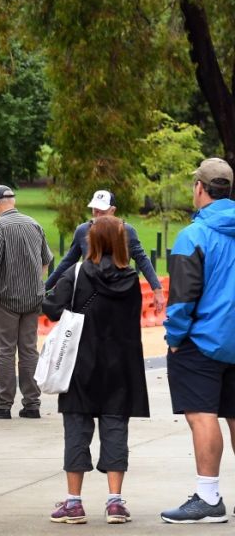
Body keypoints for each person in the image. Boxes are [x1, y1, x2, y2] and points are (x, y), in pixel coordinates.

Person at [43, 215, 149, 525]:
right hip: (118, 366)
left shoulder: (77, 274)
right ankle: (115, 501)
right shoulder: (131, 280)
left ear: (93, 241)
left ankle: (74, 502)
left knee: (77, 429)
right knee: (116, 429)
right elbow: (131, 324)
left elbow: (50, 308)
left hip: (80, 363)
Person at [161, 158, 235, 524]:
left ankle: (208, 498)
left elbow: (183, 297)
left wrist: (174, 338)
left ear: (200, 189)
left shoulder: (193, 235)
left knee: (203, 416)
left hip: (202, 341)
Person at [0, 185, 52, 420]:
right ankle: (32, 403)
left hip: (4, 298)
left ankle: (3, 404)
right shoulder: (34, 224)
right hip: (32, 298)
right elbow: (46, 261)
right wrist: (36, 284)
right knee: (29, 350)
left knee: (5, 352)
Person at [46, 189, 165, 315]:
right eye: (95, 211)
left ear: (112, 210)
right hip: (89, 298)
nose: (97, 216)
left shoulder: (126, 231)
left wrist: (157, 290)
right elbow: (68, 262)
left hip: (118, 295)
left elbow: (142, 260)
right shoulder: (82, 231)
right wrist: (45, 288)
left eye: (102, 212)